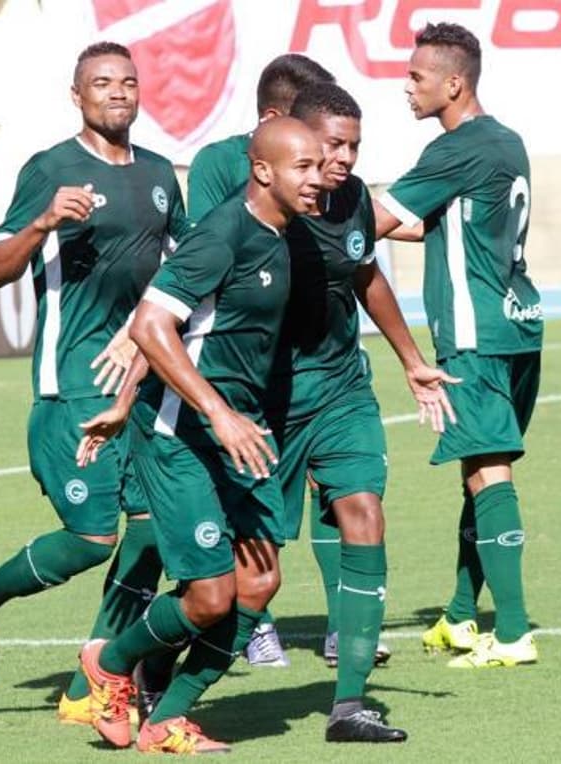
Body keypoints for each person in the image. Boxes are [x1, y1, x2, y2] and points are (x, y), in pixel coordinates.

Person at [0, 43, 189, 716]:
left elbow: (182, 275)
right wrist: (44, 220)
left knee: (149, 533)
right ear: (76, 96)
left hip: (139, 384)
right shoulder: (50, 169)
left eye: (128, 82)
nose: (118, 92)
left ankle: (91, 684)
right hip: (68, 386)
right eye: (102, 83)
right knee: (91, 537)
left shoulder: (162, 175)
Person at [75, 117, 324, 754]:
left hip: (244, 432)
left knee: (259, 585)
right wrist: (210, 410)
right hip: (182, 434)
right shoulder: (222, 234)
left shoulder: (289, 235)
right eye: (303, 166)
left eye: (319, 165)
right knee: (211, 596)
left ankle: (166, 718)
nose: (317, 178)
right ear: (263, 170)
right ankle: (110, 664)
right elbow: (152, 325)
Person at [271, 81, 454, 741]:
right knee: (247, 579)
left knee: (364, 515)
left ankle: (350, 705)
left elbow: (364, 273)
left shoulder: (352, 198)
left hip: (343, 388)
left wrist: (411, 358)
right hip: (269, 401)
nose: (345, 157)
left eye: (354, 144)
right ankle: (133, 664)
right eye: (332, 144)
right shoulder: (259, 210)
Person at [376, 22, 544, 668]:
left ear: (454, 82)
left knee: (487, 471)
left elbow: (383, 219)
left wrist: (310, 214)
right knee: (482, 471)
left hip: (474, 333)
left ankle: (513, 633)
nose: (407, 86)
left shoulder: (456, 149)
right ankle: (458, 614)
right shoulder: (507, 141)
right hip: (519, 321)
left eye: (416, 76)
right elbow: (453, 228)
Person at [187, 53, 335, 668]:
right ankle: (250, 625)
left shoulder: (327, 167)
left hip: (311, 362)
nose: (321, 167)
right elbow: (192, 275)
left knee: (336, 485)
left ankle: (341, 619)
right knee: (225, 507)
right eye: (306, 154)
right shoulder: (218, 170)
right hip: (231, 371)